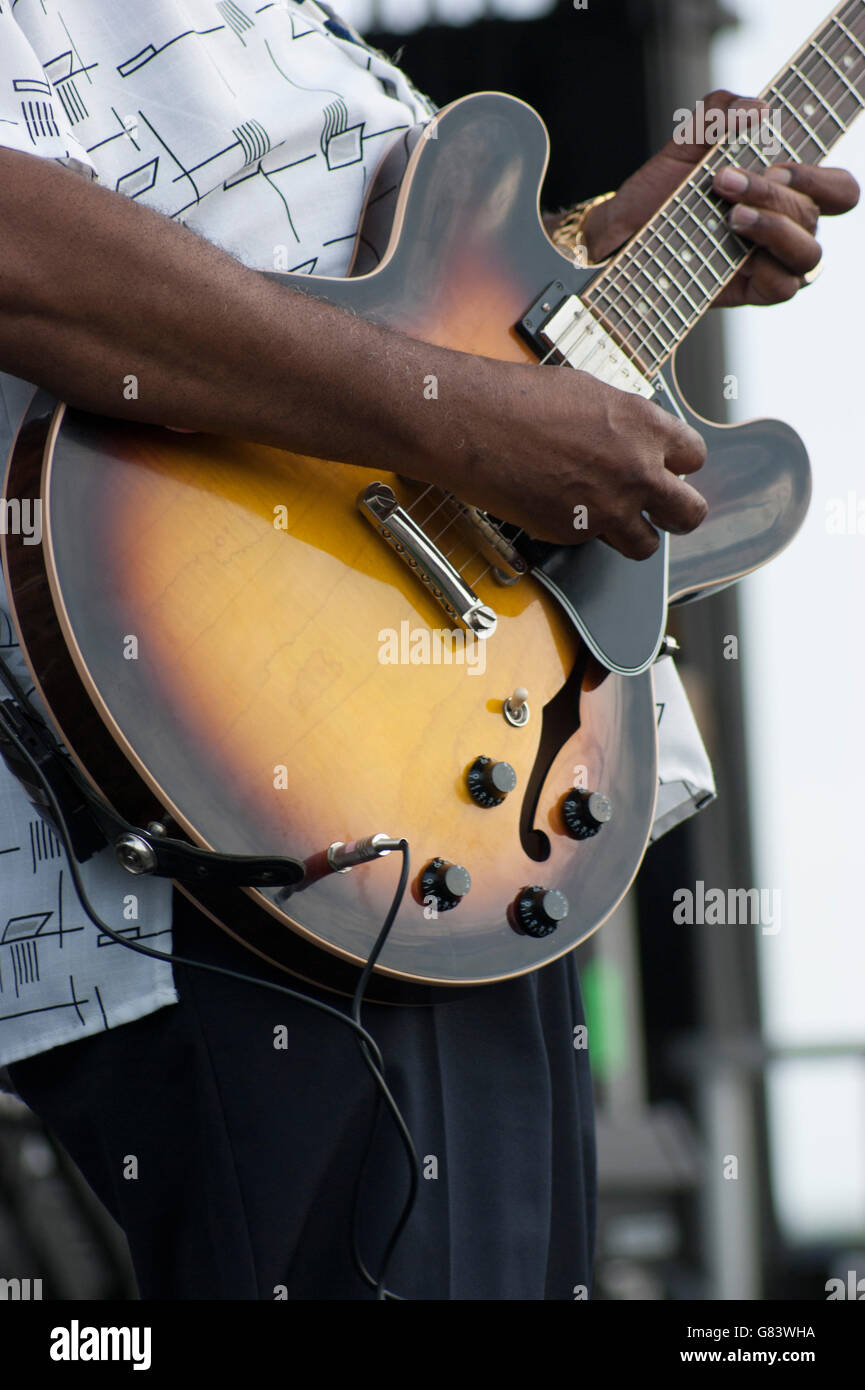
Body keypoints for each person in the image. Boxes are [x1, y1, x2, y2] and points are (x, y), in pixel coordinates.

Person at [0, 1, 857, 1300]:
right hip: (238, 787)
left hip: (426, 777)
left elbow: (359, 284)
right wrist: (464, 423)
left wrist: (597, 253)